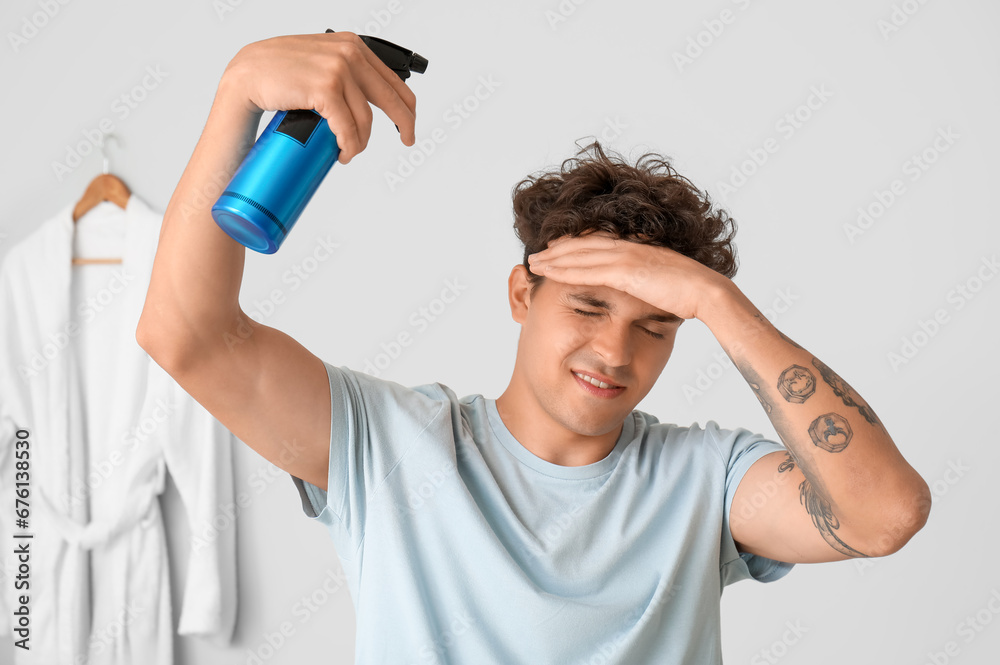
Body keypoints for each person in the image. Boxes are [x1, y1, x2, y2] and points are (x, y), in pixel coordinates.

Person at [136, 31, 932, 664]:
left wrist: (716, 300)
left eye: (657, 323)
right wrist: (239, 91)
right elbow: (187, 334)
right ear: (524, 295)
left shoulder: (705, 481)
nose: (616, 350)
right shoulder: (390, 444)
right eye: (588, 306)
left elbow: (885, 515)